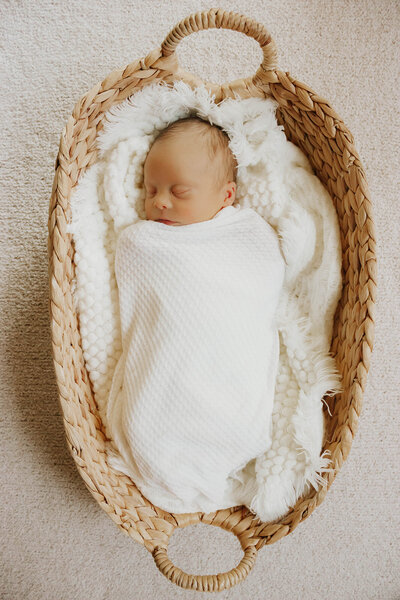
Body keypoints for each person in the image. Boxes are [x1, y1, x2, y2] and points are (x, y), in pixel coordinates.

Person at [143, 116, 237, 226]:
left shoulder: (241, 227)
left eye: (179, 192)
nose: (159, 202)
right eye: (151, 192)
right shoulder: (143, 233)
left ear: (227, 195)